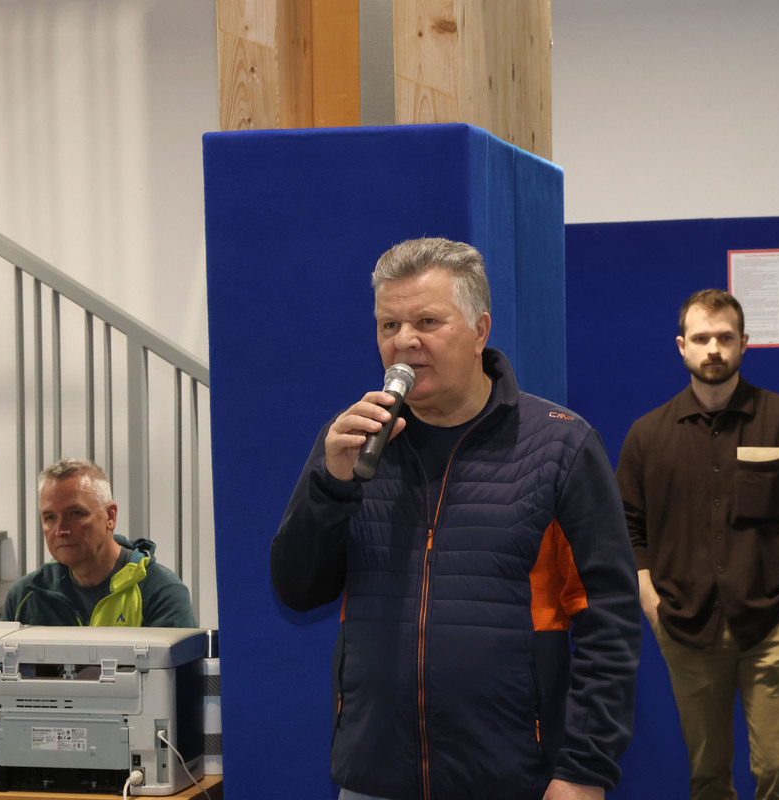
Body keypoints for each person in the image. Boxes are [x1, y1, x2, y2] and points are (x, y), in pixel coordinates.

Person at [271, 238, 641, 800]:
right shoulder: (353, 442)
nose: (404, 342)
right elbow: (298, 590)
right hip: (375, 778)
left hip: (514, 778)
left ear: (479, 331)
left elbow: (609, 621)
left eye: (427, 321)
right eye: (389, 325)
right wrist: (331, 484)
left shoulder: (560, 446)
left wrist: (585, 770)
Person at [616, 288, 779, 800]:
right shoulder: (647, 436)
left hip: (775, 623)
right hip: (686, 628)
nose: (713, 348)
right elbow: (627, 526)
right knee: (708, 778)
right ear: (682, 346)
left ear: (744, 343)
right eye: (701, 338)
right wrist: (650, 601)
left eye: (725, 338)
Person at [1, 458, 196, 627]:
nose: (61, 530)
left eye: (76, 514)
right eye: (50, 517)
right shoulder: (25, 596)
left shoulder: (160, 592)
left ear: (110, 517)